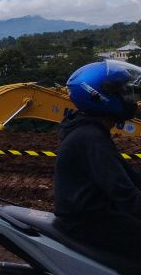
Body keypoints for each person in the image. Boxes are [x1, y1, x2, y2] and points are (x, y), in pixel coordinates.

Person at [54, 59, 141, 259]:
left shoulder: (91, 131)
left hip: (93, 215)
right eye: (123, 92)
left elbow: (129, 176)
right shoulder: (91, 139)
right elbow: (123, 193)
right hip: (88, 223)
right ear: (99, 96)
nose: (130, 99)